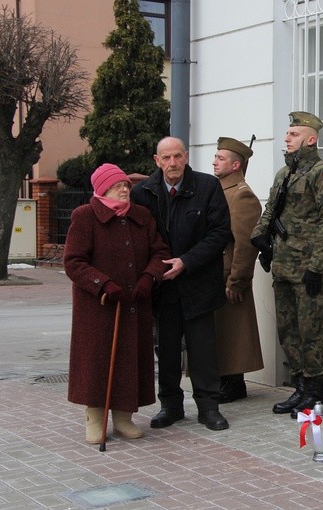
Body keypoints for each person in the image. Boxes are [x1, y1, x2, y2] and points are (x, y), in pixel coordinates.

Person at [130, 136, 232, 431]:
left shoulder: (207, 187)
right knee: (168, 349)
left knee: (202, 351)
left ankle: (208, 407)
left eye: (177, 156)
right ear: (156, 160)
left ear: (186, 157)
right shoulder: (143, 192)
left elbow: (220, 233)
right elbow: (139, 238)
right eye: (166, 158)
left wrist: (185, 261)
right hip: (163, 286)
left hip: (198, 281)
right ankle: (170, 406)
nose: (172, 163)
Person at [64, 163, 170, 444]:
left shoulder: (142, 216)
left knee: (130, 358)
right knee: (97, 360)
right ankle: (95, 418)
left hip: (134, 304)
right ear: (102, 189)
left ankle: (124, 418)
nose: (124, 189)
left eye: (126, 185)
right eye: (117, 185)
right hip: (98, 307)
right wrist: (103, 284)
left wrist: (150, 277)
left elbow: (160, 251)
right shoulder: (85, 217)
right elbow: (73, 262)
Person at [251, 111, 323, 419]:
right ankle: (300, 388)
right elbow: (271, 209)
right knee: (288, 329)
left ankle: (316, 394)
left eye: (293, 134)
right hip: (283, 265)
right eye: (287, 134)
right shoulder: (284, 174)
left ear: (310, 139)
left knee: (312, 331)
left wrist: (316, 267)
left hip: (308, 270)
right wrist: (260, 237)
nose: (287, 139)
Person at [212, 136, 264, 403]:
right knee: (221, 333)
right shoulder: (219, 190)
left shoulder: (241, 195)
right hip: (214, 273)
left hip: (228, 273)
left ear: (235, 165)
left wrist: (237, 280)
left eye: (220, 158)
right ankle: (225, 381)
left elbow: (245, 243)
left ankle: (233, 383)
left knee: (233, 333)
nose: (214, 161)